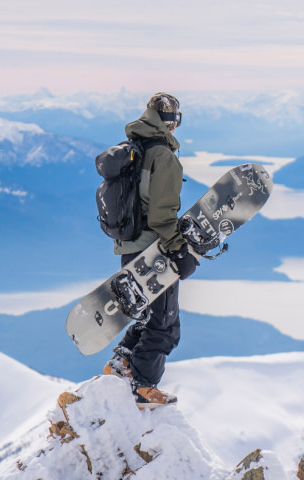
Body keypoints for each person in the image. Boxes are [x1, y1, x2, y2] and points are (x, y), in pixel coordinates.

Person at [102, 92, 198, 408]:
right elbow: (161, 214)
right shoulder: (164, 157)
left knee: (146, 313)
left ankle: (121, 365)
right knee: (165, 325)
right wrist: (178, 251)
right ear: (172, 122)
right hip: (153, 252)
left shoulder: (133, 149)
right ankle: (144, 386)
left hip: (128, 248)